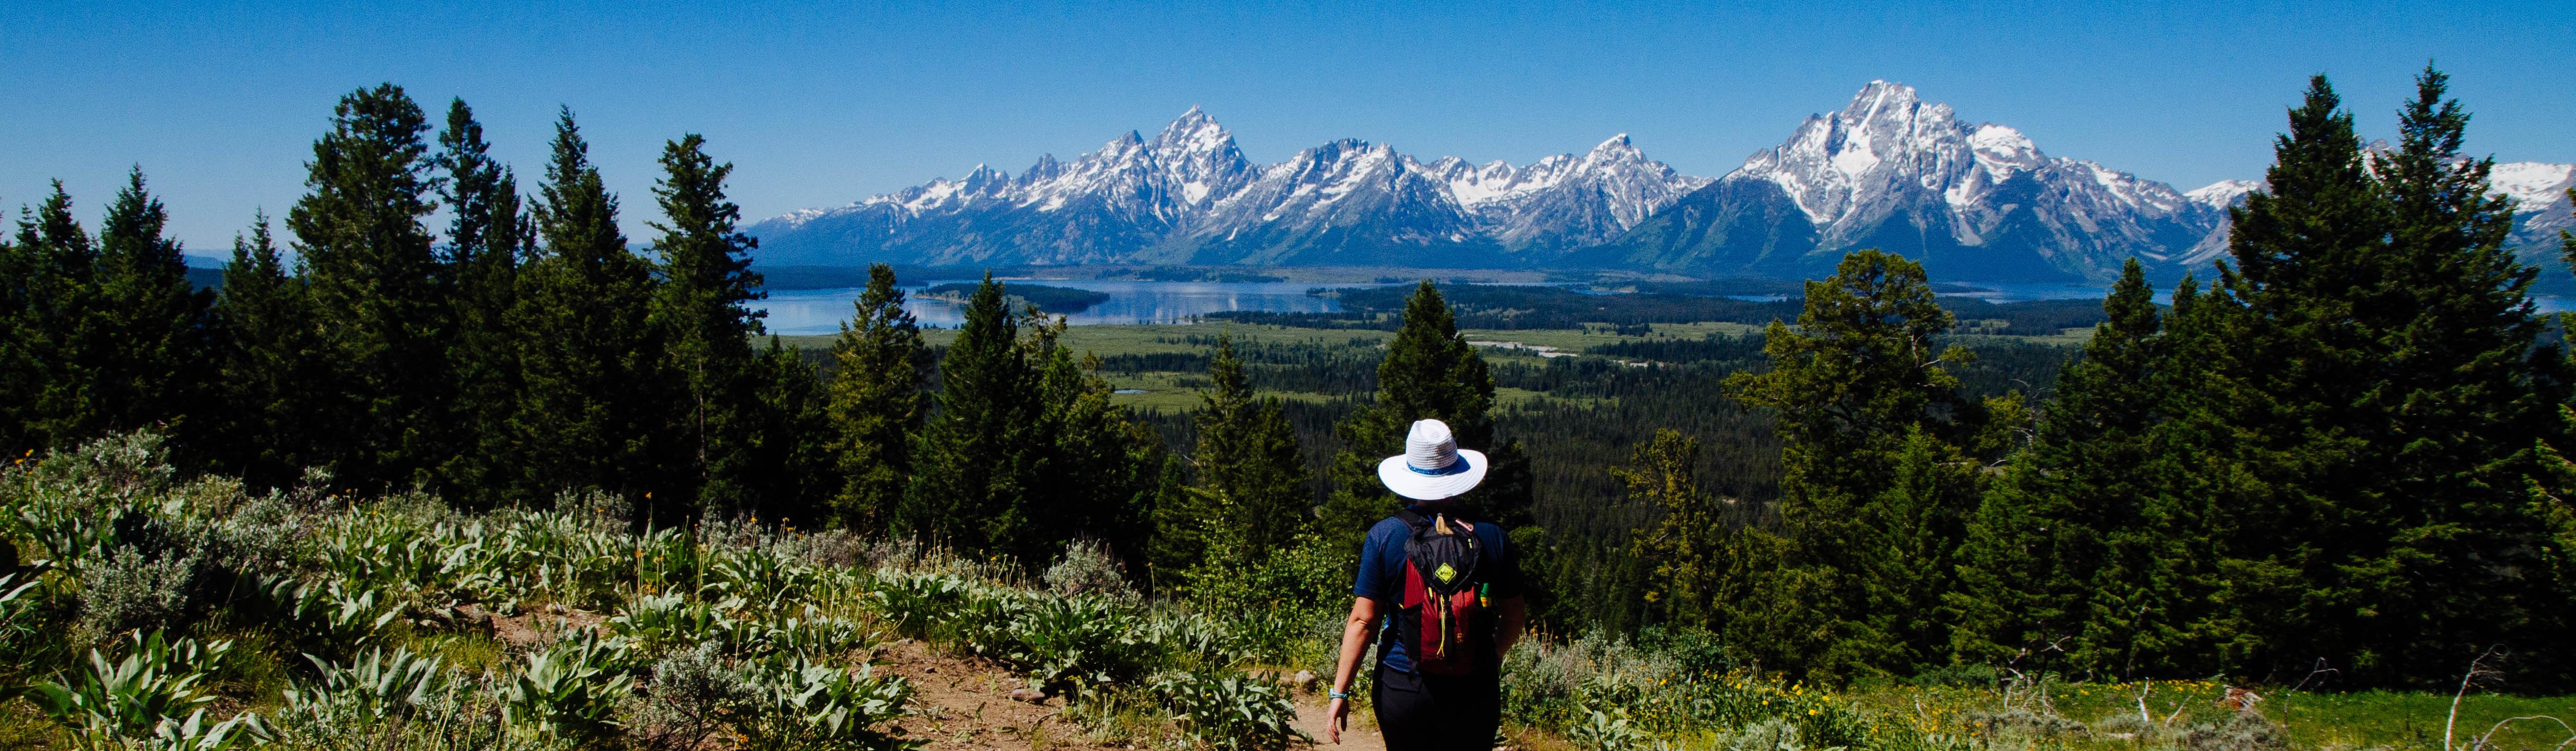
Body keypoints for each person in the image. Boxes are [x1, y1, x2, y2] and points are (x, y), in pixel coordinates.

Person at [1326, 418, 1525, 749]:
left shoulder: (1386, 536)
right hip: (1475, 687)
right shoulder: (1492, 537)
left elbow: (1363, 621)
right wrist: (1491, 656)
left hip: (1404, 683)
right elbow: (1515, 616)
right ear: (1458, 472)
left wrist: (1340, 692)